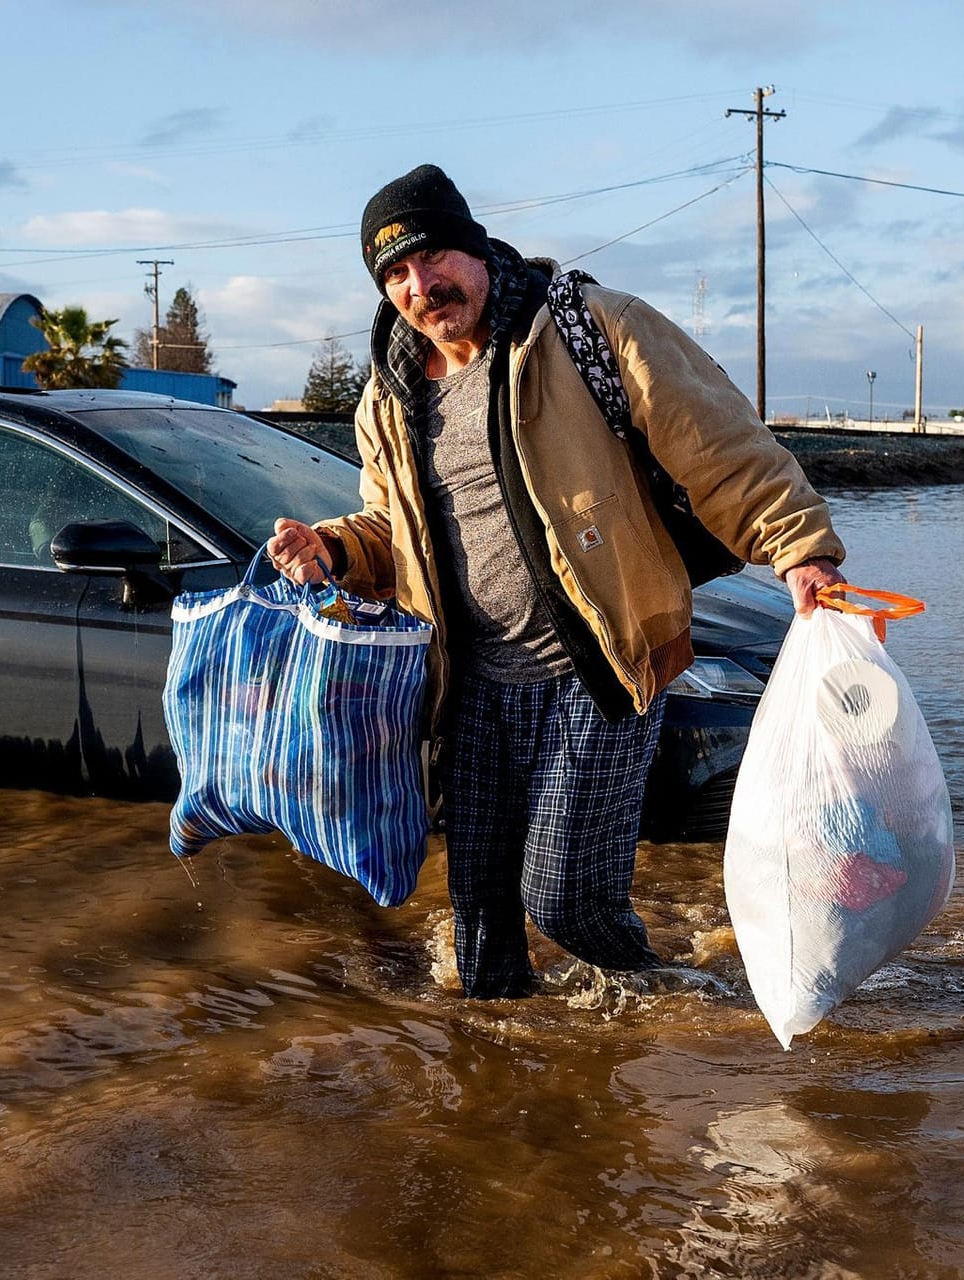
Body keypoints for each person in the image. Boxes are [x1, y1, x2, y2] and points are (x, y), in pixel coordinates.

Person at [266, 164, 847, 998]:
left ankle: (674, 1000)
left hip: (602, 666)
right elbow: (394, 535)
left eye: (433, 259)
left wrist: (801, 548)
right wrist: (330, 549)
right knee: (481, 951)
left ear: (473, 248)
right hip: (469, 688)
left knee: (566, 898)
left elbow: (720, 445)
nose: (421, 286)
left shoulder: (588, 328)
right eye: (395, 274)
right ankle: (507, 1102)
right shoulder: (386, 400)